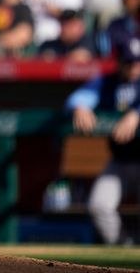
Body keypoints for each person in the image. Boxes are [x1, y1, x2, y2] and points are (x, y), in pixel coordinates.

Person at [66, 37, 140, 245]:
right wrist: (80, 106)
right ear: (119, 62)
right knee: (99, 205)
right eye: (129, 62)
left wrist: (136, 114)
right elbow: (77, 97)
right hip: (119, 161)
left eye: (137, 62)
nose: (134, 67)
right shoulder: (108, 81)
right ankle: (122, 247)